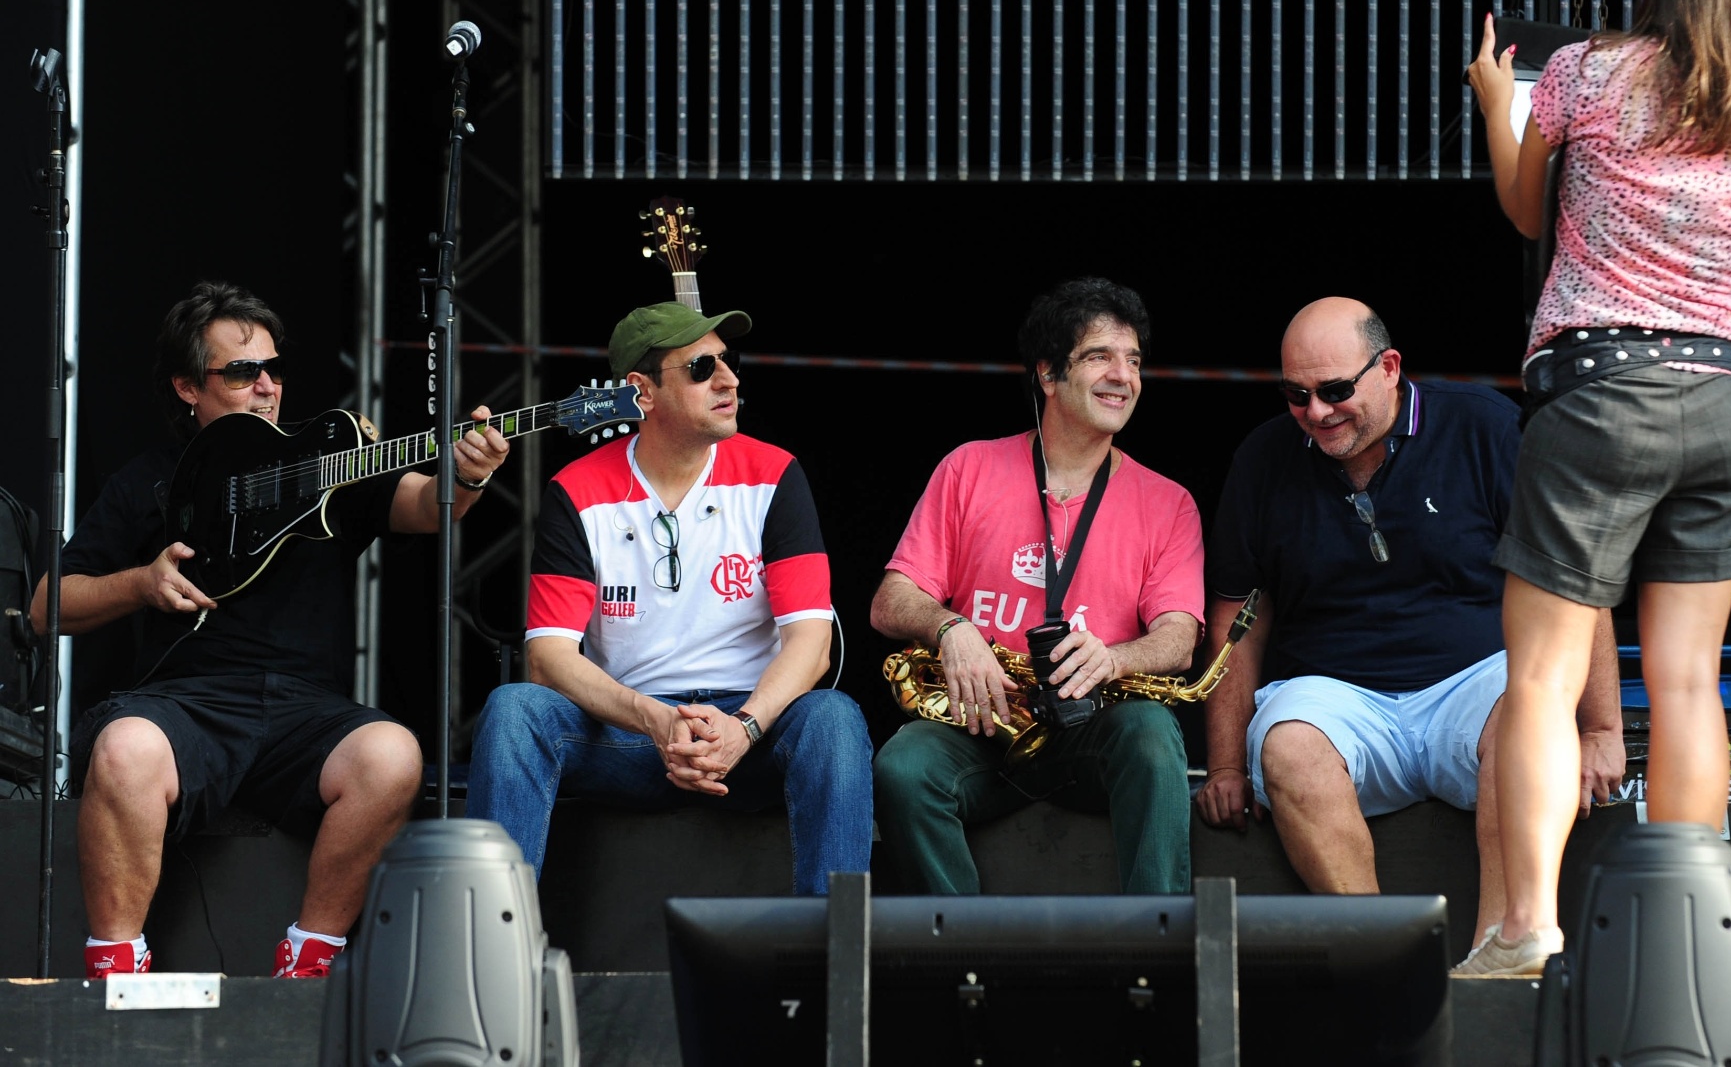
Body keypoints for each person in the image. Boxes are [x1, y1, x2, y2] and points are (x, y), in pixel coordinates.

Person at [1460, 0, 1731, 976]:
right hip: (1722, 401)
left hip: (1601, 391)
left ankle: (1527, 926)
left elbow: (1525, 209)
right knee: (1691, 682)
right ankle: (1689, 943)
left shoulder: (1586, 73)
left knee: (1544, 677)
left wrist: (1492, 100)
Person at [32, 280, 510, 979]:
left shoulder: (325, 458)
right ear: (187, 386)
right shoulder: (151, 481)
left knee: (392, 755)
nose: (266, 385)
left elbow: (426, 507)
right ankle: (116, 976)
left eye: (274, 369)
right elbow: (47, 605)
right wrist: (141, 582)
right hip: (186, 705)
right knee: (124, 748)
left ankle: (309, 962)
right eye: (242, 370)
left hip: (306, 714)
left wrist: (467, 477)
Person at [1195, 298, 1625, 957]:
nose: (1317, 411)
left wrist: (1600, 728)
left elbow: (1569, 571)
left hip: (1475, 682)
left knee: (1530, 718)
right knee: (1288, 747)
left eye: (1336, 389)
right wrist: (1224, 761)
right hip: (1337, 697)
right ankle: (1387, 963)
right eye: (1296, 394)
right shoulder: (1264, 457)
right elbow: (1239, 615)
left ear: (1389, 367)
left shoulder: (1482, 425)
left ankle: (1499, 949)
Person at [463, 302, 871, 896]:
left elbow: (812, 643)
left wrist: (744, 729)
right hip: (630, 731)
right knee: (513, 711)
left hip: (748, 730)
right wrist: (656, 721)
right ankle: (488, 953)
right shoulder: (575, 489)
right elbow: (548, 659)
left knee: (834, 719)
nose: (729, 379)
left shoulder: (775, 472)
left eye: (729, 363)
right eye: (702, 368)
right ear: (642, 392)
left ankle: (831, 965)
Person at [870, 277, 1204, 894]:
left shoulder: (1170, 502)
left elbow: (1180, 640)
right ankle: (964, 958)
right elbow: (891, 600)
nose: (1123, 376)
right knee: (902, 765)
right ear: (1047, 373)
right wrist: (953, 628)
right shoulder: (968, 467)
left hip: (1095, 728)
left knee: (1153, 733)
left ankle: (1157, 955)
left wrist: (1112, 658)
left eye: (1133, 361)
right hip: (983, 727)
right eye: (1100, 356)